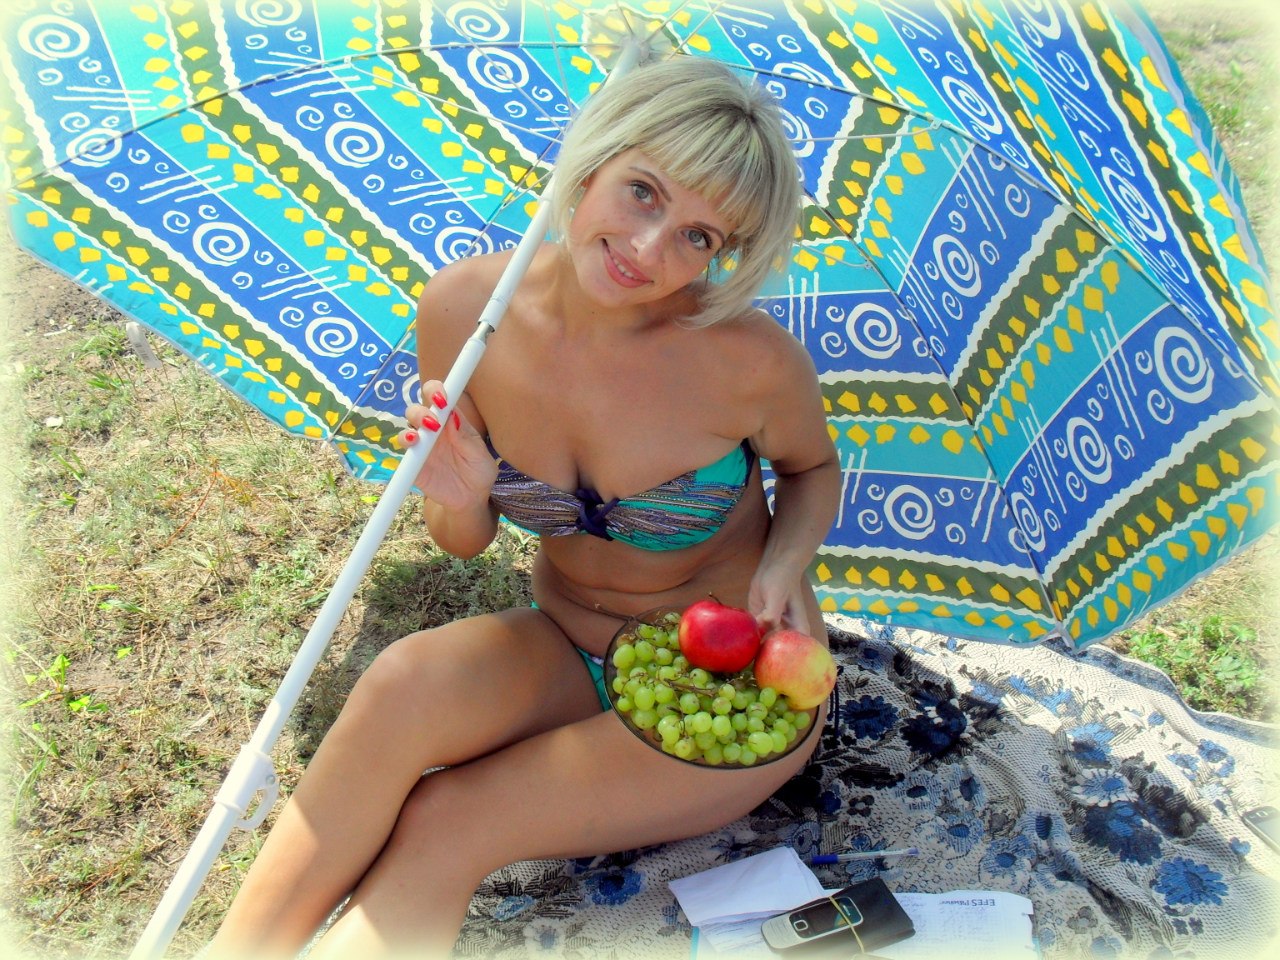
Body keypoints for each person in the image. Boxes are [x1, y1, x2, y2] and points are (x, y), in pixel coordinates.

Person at [209, 55, 840, 959]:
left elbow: (813, 469)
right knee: (400, 683)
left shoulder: (748, 361)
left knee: (448, 817)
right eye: (642, 192)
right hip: (564, 641)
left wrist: (783, 565)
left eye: (699, 236)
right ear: (592, 163)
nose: (649, 249)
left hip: (730, 684)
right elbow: (463, 543)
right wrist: (463, 496)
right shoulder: (468, 312)